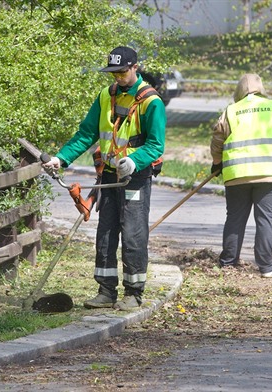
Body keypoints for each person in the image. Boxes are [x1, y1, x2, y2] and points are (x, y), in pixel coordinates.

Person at [42, 46, 166, 310]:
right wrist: (61, 158)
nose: (118, 78)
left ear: (135, 67)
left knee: (133, 234)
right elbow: (86, 134)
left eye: (122, 72)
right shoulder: (104, 97)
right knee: (106, 233)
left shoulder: (151, 102)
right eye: (113, 73)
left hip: (135, 177)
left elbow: (156, 145)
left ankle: (133, 293)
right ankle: (106, 291)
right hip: (108, 176)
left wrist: (134, 161)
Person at [210, 73, 272, 278]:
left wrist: (216, 163)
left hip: (237, 174)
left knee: (235, 219)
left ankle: (229, 262)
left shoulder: (231, 111)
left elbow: (217, 139)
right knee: (266, 220)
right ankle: (266, 267)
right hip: (270, 174)